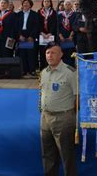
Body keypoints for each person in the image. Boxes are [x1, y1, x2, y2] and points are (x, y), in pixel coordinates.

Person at [40, 42, 78, 176]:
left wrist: (73, 116)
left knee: (67, 156)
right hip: (45, 118)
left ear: (61, 55)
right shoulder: (44, 72)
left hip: (63, 118)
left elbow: (77, 97)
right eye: (47, 53)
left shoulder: (70, 73)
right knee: (48, 155)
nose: (50, 56)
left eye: (53, 52)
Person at [16, 0, 39, 76]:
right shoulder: (18, 14)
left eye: (27, 3)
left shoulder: (34, 14)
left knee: (31, 54)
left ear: (30, 5)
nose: (25, 4)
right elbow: (16, 26)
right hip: (21, 35)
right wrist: (19, 35)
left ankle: (32, 70)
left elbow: (36, 26)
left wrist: (32, 36)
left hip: (30, 36)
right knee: (22, 54)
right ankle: (23, 70)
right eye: (24, 3)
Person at [38, 0, 57, 69]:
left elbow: (54, 24)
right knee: (42, 52)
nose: (46, 2)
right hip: (42, 35)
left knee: (51, 52)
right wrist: (42, 33)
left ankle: (51, 67)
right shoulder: (39, 12)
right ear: (42, 3)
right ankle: (42, 68)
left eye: (48, 1)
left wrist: (50, 33)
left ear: (50, 3)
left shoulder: (54, 12)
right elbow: (38, 23)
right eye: (45, 1)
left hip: (50, 35)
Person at [57, 0, 76, 67]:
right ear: (64, 6)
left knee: (71, 52)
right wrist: (60, 35)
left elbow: (75, 25)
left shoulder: (74, 14)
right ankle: (63, 66)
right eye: (66, 4)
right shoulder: (60, 15)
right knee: (62, 52)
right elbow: (57, 26)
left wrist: (71, 35)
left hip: (71, 36)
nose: (67, 5)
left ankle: (71, 66)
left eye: (69, 4)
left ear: (71, 5)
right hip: (62, 37)